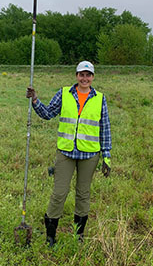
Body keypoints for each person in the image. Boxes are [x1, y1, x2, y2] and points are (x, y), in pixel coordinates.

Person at [26, 61, 112, 246]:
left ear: (93, 77)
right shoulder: (64, 93)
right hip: (65, 152)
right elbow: (48, 113)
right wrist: (35, 100)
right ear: (76, 76)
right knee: (59, 193)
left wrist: (106, 156)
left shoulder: (99, 98)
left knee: (83, 194)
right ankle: (50, 236)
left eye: (88, 75)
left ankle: (78, 236)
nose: (85, 78)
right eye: (81, 74)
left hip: (89, 154)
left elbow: (104, 128)